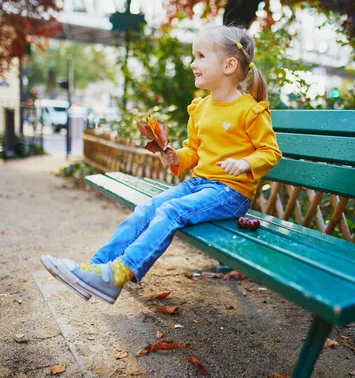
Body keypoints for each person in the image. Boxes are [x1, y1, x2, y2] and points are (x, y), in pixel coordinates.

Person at [40, 25, 282, 304]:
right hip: (199, 184)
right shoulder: (201, 108)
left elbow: (270, 152)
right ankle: (95, 268)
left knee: (171, 210)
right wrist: (176, 157)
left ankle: (118, 274)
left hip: (230, 194)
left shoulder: (250, 111)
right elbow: (193, 151)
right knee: (147, 208)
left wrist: (245, 163)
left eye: (201, 56)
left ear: (229, 65)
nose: (193, 63)